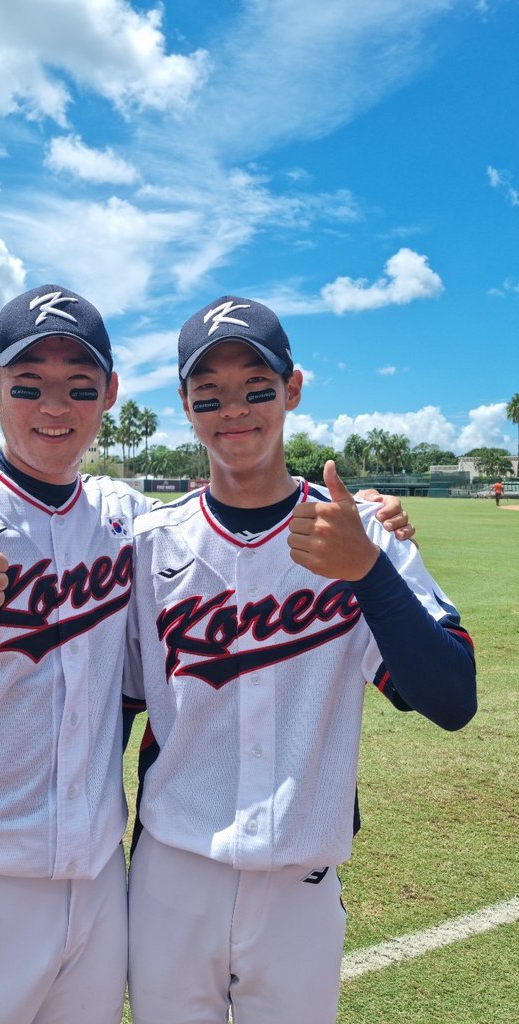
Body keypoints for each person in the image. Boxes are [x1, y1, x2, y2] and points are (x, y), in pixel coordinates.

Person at [0, 284, 413, 1024]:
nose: (54, 408)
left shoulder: (128, 519)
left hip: (101, 888)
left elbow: (219, 531)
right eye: (28, 385)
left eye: (79, 387)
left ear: (109, 395)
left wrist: (375, 522)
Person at [123, 295, 477, 1024]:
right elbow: (109, 704)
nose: (235, 410)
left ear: (292, 389)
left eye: (256, 387)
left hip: (301, 888)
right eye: (209, 393)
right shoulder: (147, 544)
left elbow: (451, 698)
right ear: (186, 407)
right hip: (171, 874)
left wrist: (368, 571)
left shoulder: (361, 530)